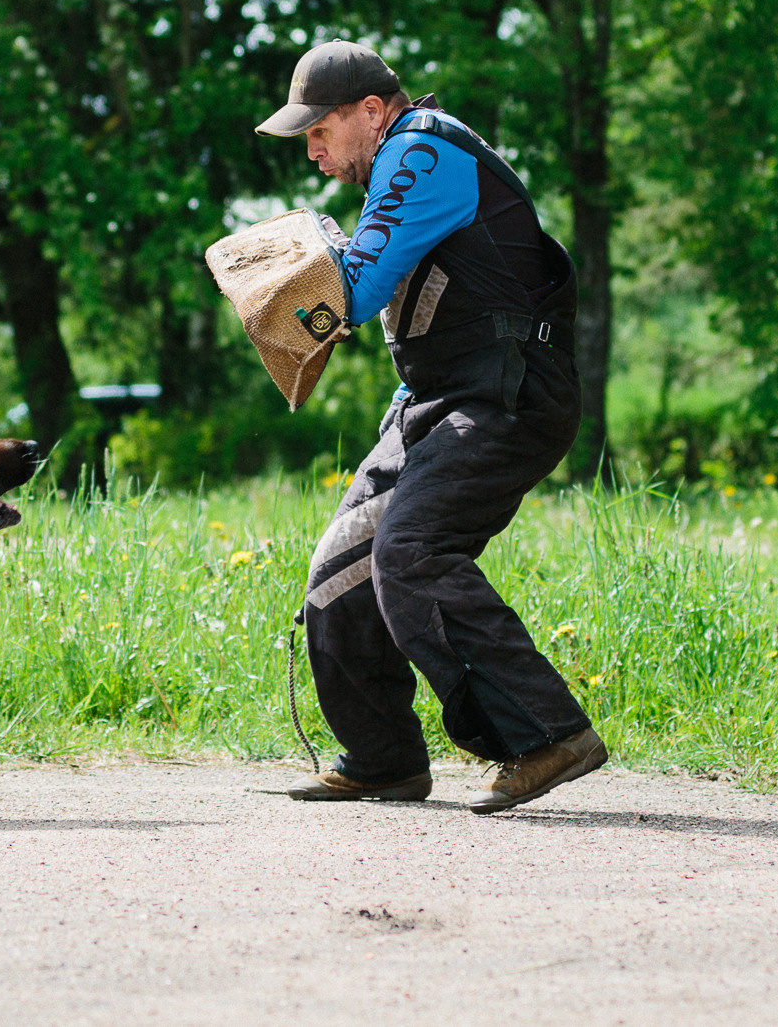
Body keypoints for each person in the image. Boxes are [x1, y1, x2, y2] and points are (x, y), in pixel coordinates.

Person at [258, 40, 606, 814]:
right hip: (440, 398)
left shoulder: (419, 154)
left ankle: (548, 733)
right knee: (339, 570)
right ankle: (383, 759)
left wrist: (284, 263)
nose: (311, 148)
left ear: (372, 111)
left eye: (320, 128)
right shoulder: (399, 162)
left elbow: (352, 293)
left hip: (507, 395)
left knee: (410, 549)